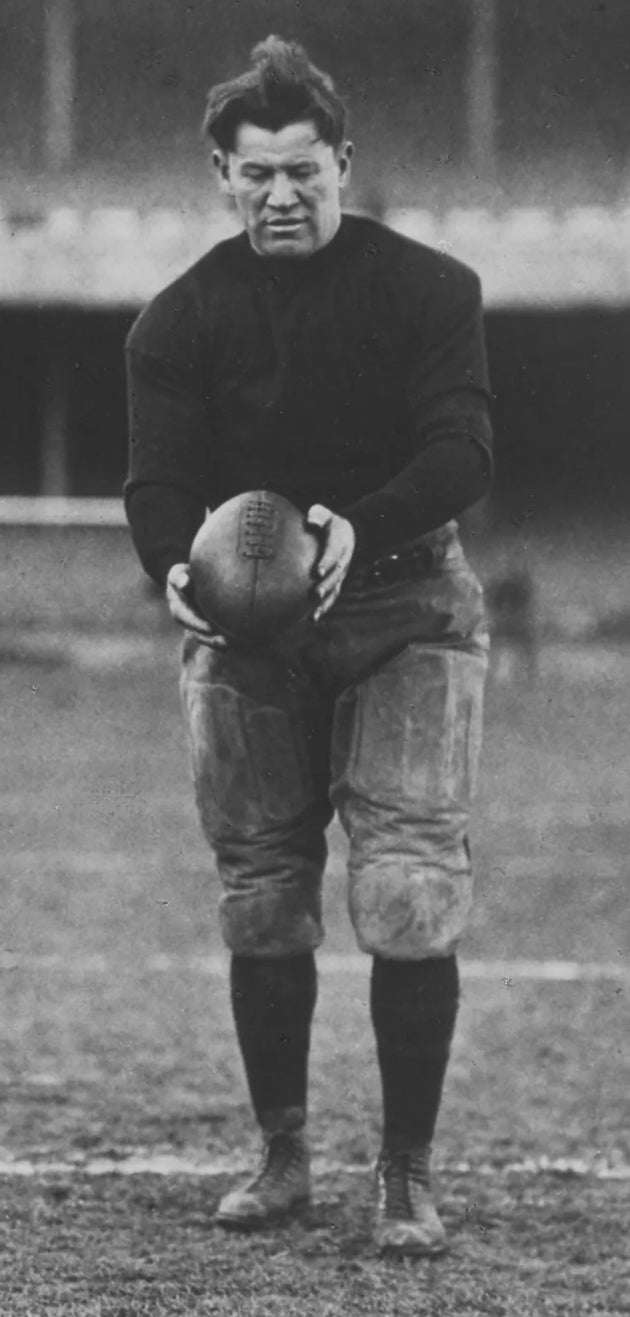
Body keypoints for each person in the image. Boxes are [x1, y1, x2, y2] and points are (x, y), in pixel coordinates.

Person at [125, 35, 492, 1257]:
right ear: (221, 175)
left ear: (345, 162)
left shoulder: (431, 289)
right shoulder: (179, 319)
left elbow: (462, 451)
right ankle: (284, 1154)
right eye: (256, 174)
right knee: (264, 902)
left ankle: (405, 1173)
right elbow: (156, 486)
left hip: (405, 601)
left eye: (305, 171)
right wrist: (176, 565)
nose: (282, 195)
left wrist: (357, 522)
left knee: (405, 893)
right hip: (253, 623)